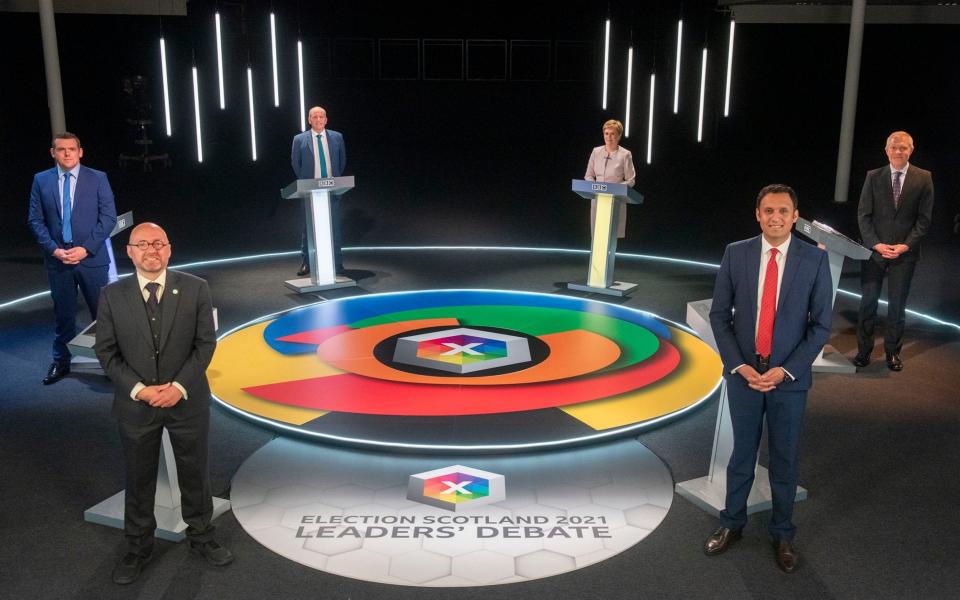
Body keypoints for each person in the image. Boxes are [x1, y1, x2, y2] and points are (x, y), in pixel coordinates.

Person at [94, 223, 233, 585]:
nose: (151, 250)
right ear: (130, 251)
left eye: (158, 243)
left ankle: (201, 536)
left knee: (195, 473)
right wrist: (140, 389)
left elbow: (206, 344)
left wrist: (179, 386)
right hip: (136, 405)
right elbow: (106, 352)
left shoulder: (196, 288)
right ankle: (137, 548)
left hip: (186, 400)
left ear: (169, 250)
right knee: (139, 479)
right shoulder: (111, 294)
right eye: (142, 244)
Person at [705, 184, 833, 573]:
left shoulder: (813, 260)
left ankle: (782, 532)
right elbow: (719, 317)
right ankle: (732, 523)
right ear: (757, 214)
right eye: (768, 211)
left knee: (784, 460)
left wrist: (786, 369)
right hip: (744, 375)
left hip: (788, 380)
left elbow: (821, 325)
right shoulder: (736, 253)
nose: (775, 217)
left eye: (783, 211)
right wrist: (739, 366)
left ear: (796, 217)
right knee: (741, 456)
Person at [27, 132, 117, 385]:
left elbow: (108, 218)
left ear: (80, 152)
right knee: (63, 314)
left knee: (102, 315)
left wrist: (85, 249)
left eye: (71, 149)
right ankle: (61, 361)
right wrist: (54, 250)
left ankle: (111, 362)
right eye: (61, 149)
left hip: (91, 260)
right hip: (58, 260)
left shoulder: (98, 178)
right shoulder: (41, 180)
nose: (67, 153)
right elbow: (35, 220)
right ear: (52, 152)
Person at [853, 131, 934, 372]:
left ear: (911, 150)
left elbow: (924, 220)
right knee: (868, 303)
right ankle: (863, 351)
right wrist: (875, 244)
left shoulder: (924, 178)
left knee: (897, 306)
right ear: (886, 150)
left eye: (904, 147)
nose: (899, 151)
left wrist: (905, 245)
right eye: (895, 147)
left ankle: (892, 354)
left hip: (904, 253)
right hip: (874, 252)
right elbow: (863, 215)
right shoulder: (873, 176)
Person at [291, 105, 347, 276]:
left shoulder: (337, 137)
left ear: (326, 119)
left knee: (334, 226)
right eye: (314, 117)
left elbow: (342, 161)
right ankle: (307, 262)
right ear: (309, 120)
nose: (318, 119)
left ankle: (337, 263)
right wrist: (307, 182)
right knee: (308, 228)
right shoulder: (299, 139)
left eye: (321, 116)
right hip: (309, 190)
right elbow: (295, 163)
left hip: (332, 189)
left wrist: (332, 181)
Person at [583, 119, 636, 238]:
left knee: (610, 238)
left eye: (612, 134)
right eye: (606, 133)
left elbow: (631, 180)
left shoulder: (625, 154)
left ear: (619, 136)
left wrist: (614, 189)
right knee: (597, 237)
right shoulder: (596, 152)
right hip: (597, 200)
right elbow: (588, 175)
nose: (609, 137)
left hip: (615, 201)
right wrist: (595, 187)